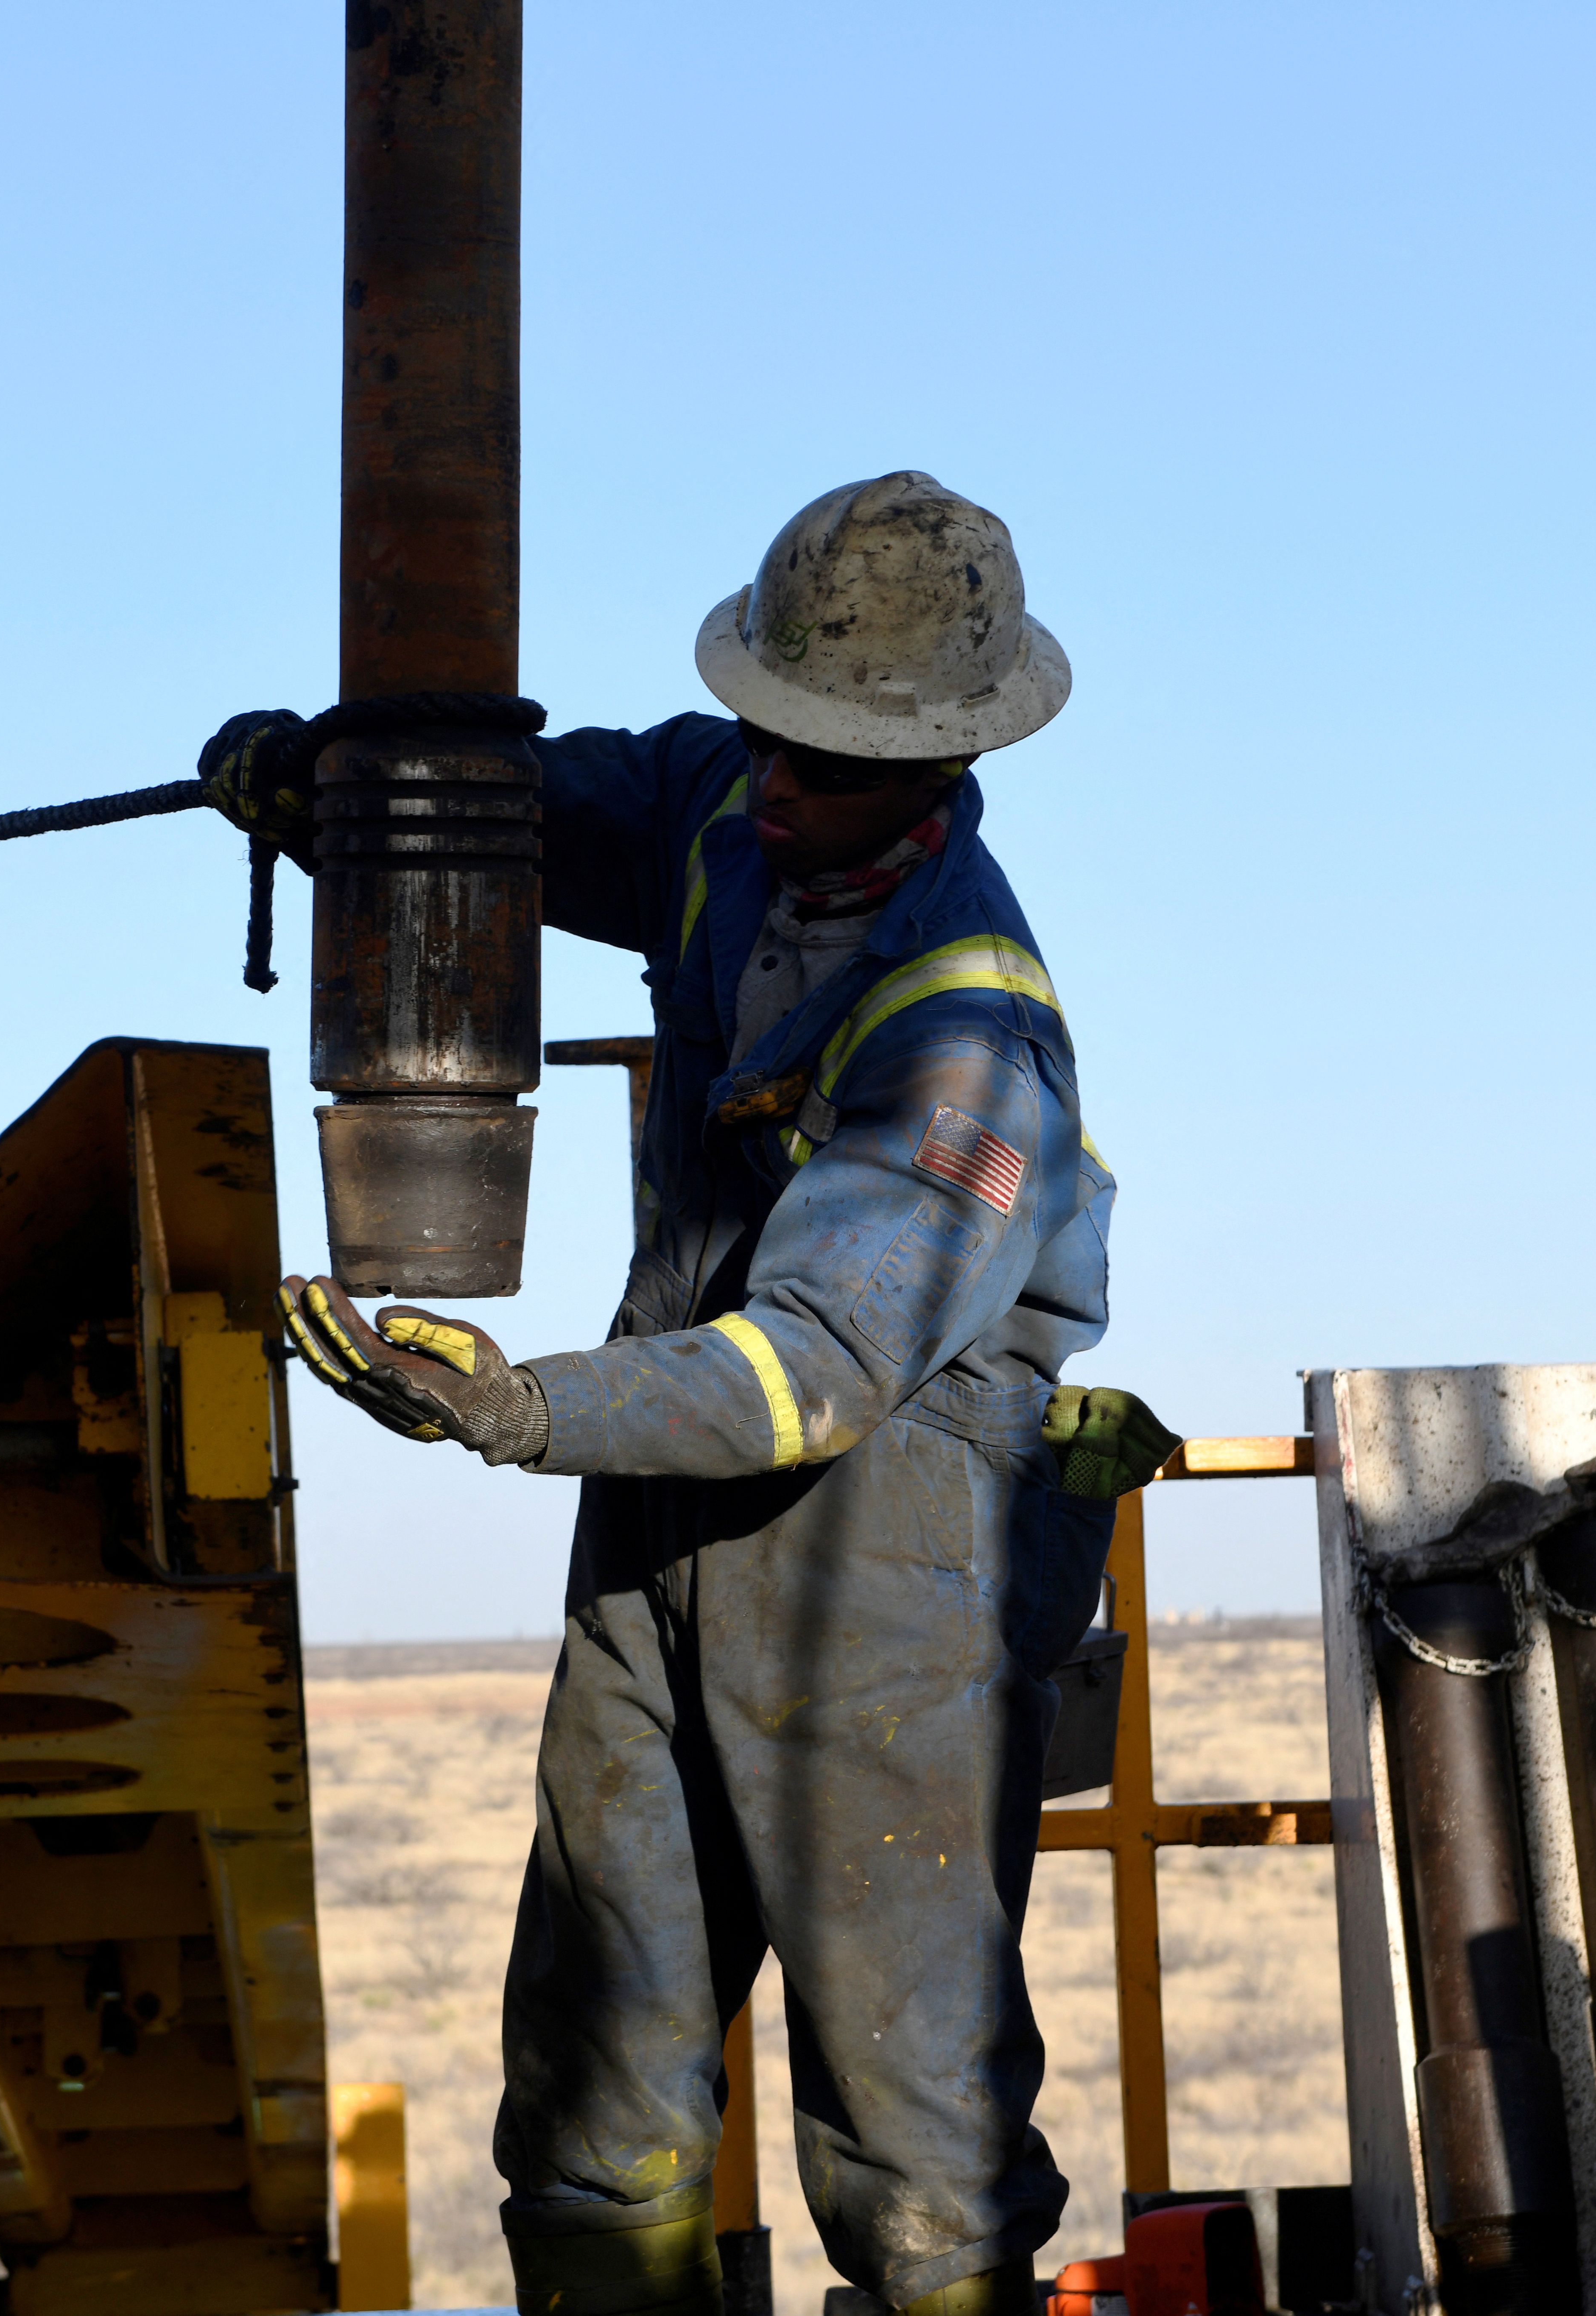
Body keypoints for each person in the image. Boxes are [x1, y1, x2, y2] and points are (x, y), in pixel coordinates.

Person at [203, 472, 1171, 2316]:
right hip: (662, 1500)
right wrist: (344, 795)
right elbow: (523, 816)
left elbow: (810, 1370)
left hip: (884, 1549)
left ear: (941, 767)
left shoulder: (967, 1036)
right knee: (591, 2050)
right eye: (766, 734)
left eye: (822, 764)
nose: (776, 783)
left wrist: (521, 1409)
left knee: (911, 2125)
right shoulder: (728, 802)